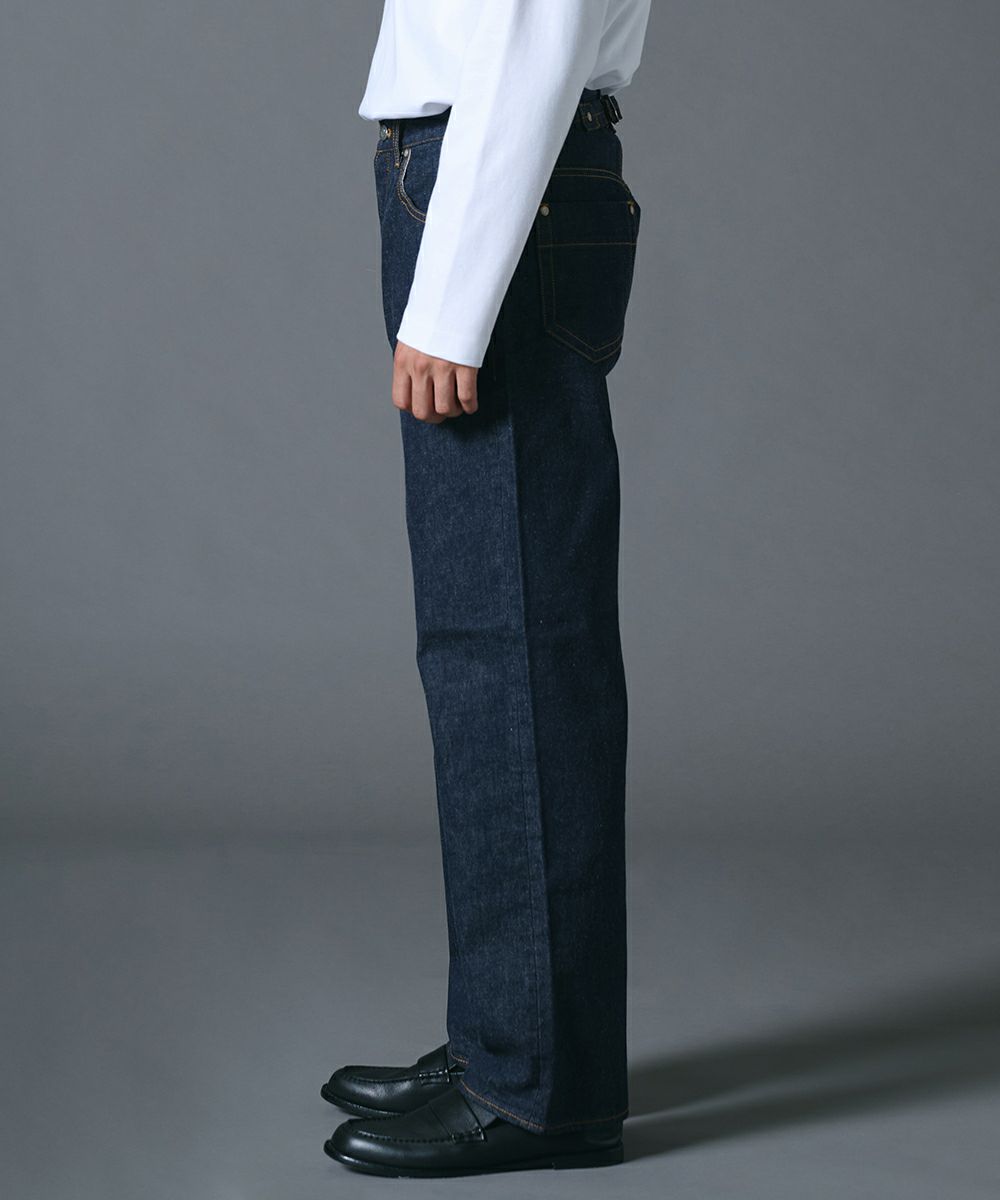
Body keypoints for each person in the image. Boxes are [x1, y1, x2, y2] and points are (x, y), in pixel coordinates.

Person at [322, 0, 651, 1178]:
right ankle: (509, 1041)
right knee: (487, 641)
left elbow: (530, 32)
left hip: (501, 178)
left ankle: (537, 1086)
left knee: (515, 646)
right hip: (483, 173)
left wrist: (454, 299)